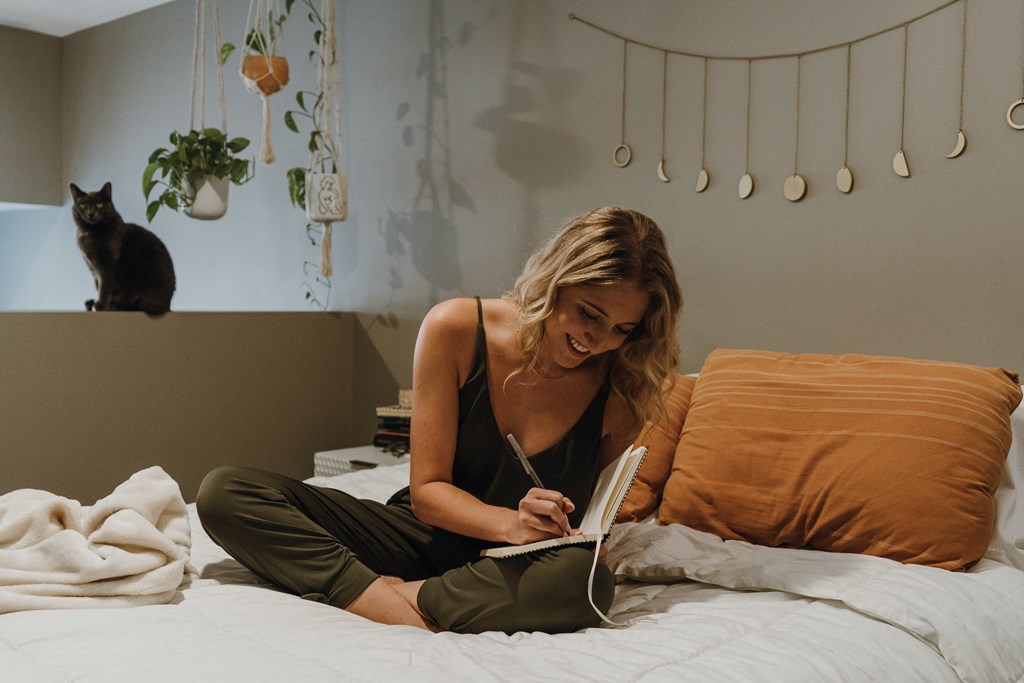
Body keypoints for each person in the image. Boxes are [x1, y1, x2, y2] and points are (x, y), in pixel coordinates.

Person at [196, 206, 683, 634]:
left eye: (621, 329)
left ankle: (395, 595)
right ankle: (396, 606)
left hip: (514, 566)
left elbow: (590, 522)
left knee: (588, 582)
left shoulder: (621, 383)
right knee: (225, 492)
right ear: (556, 282)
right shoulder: (455, 328)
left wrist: (564, 532)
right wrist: (508, 522)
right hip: (422, 536)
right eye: (588, 314)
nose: (597, 340)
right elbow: (428, 493)